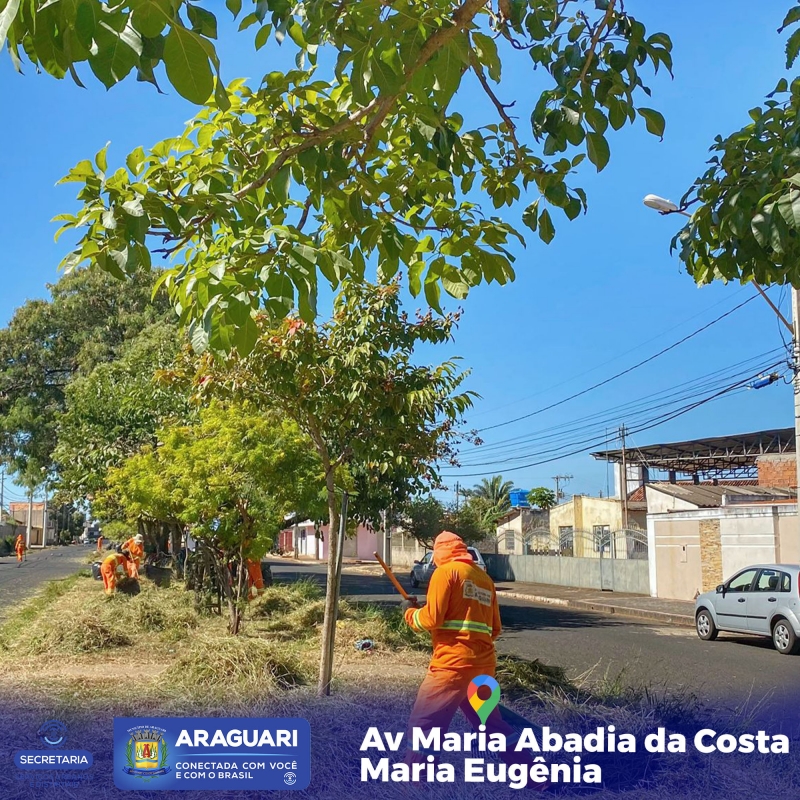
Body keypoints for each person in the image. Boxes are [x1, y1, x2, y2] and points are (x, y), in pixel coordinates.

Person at [402, 531, 545, 785]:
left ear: (440, 554)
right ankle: (534, 777)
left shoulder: (445, 573)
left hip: (452, 667)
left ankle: (415, 785)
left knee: (424, 724)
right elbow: (496, 628)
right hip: (483, 667)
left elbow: (432, 618)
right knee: (492, 725)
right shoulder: (485, 580)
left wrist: (410, 614)